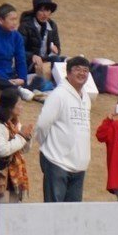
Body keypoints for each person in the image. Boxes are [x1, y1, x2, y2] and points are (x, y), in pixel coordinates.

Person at [35, 56, 92, 202]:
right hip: (57, 163)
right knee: (54, 213)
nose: (82, 73)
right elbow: (42, 124)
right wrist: (46, 146)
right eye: (77, 69)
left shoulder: (86, 98)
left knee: (72, 217)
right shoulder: (58, 95)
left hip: (79, 167)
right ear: (68, 73)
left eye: (85, 70)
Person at [0, 4, 34, 101]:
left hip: (9, 74)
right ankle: (18, 90)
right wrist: (6, 80)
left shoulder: (17, 37)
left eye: (16, 19)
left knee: (37, 79)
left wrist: (22, 78)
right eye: (11, 19)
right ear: (1, 20)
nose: (15, 23)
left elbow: (20, 60)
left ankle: (9, 88)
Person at [18, 0, 62, 92]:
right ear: (36, 11)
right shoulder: (25, 26)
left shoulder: (52, 25)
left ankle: (56, 85)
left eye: (47, 10)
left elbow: (57, 47)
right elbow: (18, 49)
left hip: (45, 61)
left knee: (61, 60)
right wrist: (32, 56)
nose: (44, 14)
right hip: (30, 63)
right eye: (41, 10)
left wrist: (56, 50)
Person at [0, 89, 33, 203]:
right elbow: (2, 150)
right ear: (10, 106)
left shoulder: (15, 124)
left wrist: (27, 138)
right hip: (1, 176)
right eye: (19, 104)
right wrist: (22, 137)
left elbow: (23, 150)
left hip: (15, 178)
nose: (21, 107)